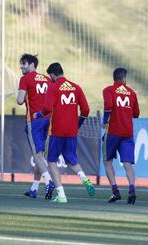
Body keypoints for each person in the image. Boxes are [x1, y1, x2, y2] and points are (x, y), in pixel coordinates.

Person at [34, 62, 95, 203]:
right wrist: (77, 124)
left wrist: (38, 114)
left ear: (53, 75)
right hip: (72, 132)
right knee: (72, 161)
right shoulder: (76, 87)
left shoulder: (54, 87)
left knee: (51, 161)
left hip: (56, 131)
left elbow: (47, 109)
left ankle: (61, 195)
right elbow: (85, 110)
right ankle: (84, 178)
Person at [16, 54, 55, 199]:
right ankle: (34, 188)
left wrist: (19, 94)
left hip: (34, 120)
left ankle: (49, 181)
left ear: (32, 65)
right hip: (49, 121)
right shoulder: (47, 79)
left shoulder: (25, 79)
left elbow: (20, 100)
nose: (21, 66)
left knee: (37, 154)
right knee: (41, 155)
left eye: (24, 64)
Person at [102, 68, 140, 204]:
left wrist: (105, 120)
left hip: (112, 131)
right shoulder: (132, 93)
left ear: (114, 78)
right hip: (128, 133)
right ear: (124, 78)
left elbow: (108, 105)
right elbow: (136, 113)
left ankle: (115, 191)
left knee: (107, 161)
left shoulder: (108, 90)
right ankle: (131, 189)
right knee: (127, 164)